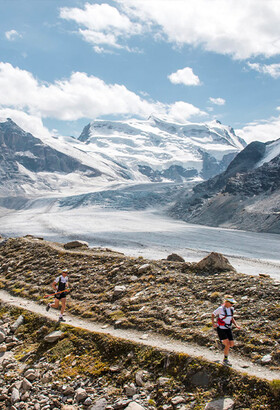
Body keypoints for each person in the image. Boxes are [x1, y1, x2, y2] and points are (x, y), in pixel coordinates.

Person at [212, 295, 241, 366]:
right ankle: (225, 359)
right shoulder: (220, 309)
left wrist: (236, 325)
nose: (232, 304)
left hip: (228, 328)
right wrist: (213, 324)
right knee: (227, 344)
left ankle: (221, 343)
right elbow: (213, 314)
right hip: (221, 328)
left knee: (231, 344)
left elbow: (231, 318)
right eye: (231, 303)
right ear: (226, 302)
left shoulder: (231, 309)